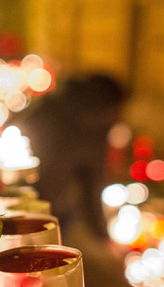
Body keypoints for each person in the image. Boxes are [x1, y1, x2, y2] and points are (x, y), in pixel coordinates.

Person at [14, 74, 126, 235]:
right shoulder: (95, 130)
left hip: (17, 200)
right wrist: (102, 235)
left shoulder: (47, 106)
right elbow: (92, 188)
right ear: (107, 107)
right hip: (46, 208)